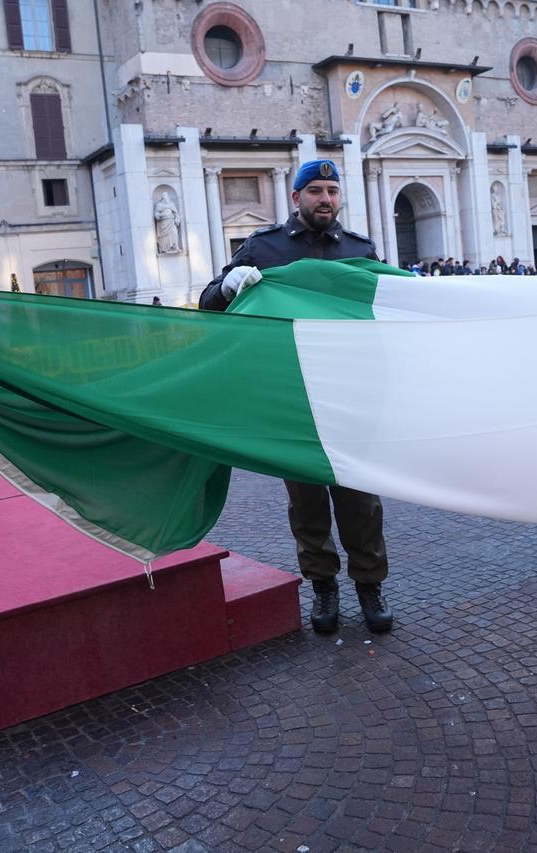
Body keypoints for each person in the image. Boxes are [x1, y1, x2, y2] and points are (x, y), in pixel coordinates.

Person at [199, 159, 393, 634]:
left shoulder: (359, 249)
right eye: (316, 191)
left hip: (349, 394)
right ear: (296, 198)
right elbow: (208, 302)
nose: (326, 199)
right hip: (292, 395)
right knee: (306, 504)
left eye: (332, 190)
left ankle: (369, 586)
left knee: (360, 503)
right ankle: (323, 587)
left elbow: (386, 307)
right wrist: (227, 285)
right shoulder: (263, 248)